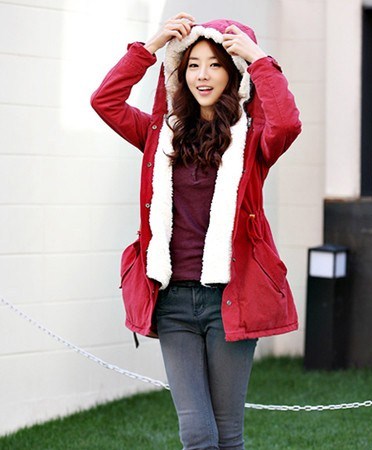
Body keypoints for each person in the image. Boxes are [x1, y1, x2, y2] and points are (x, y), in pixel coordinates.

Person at [91, 12, 301, 450]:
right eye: (192, 65)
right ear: (179, 72)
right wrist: (150, 48)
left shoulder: (253, 139)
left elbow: (286, 124)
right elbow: (105, 101)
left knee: (227, 433)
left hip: (230, 297)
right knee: (197, 434)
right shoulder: (160, 135)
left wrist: (260, 59)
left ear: (233, 72)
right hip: (173, 301)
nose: (202, 75)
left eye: (215, 64)